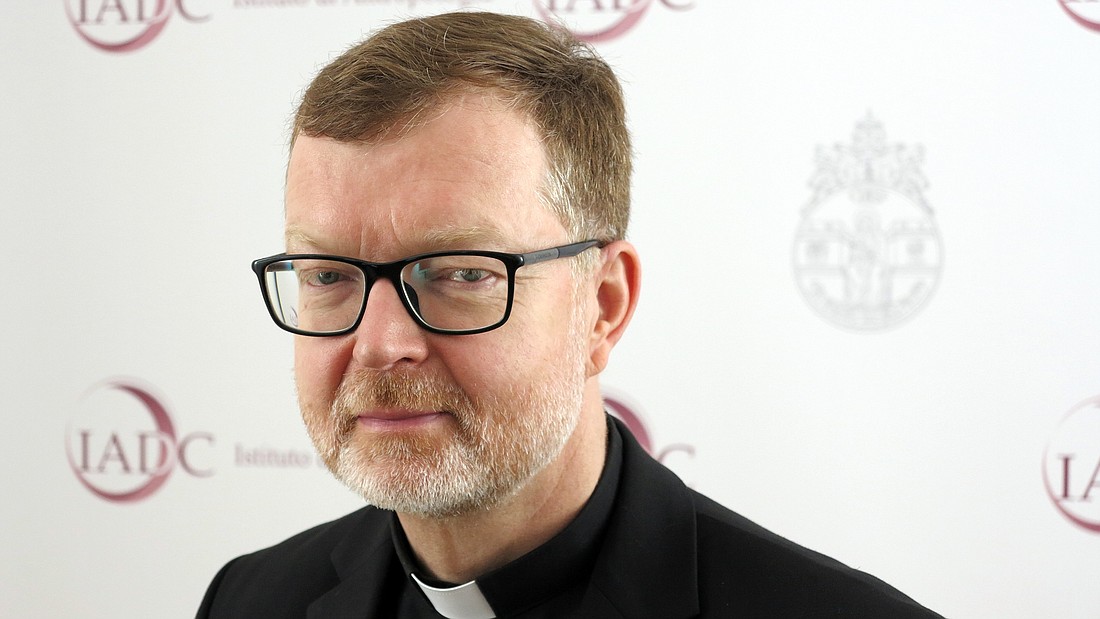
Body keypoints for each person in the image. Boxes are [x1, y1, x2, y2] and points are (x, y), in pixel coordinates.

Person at [198, 11, 942, 618]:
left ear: (603, 306)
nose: (380, 342)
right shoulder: (250, 599)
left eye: (461, 273)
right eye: (328, 274)